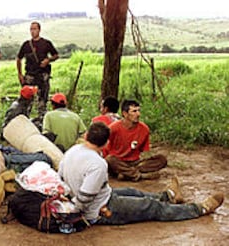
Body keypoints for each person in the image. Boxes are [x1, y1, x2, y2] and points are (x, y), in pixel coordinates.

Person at [59, 122, 224, 225]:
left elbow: (60, 177)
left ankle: (170, 195)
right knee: (152, 208)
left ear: (86, 136)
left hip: (101, 197)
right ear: (106, 142)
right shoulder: (98, 164)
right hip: (100, 210)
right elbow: (85, 196)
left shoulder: (73, 150)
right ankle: (198, 209)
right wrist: (78, 214)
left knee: (133, 192)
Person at [104, 99, 167, 181]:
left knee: (161, 159)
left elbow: (143, 151)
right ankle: (138, 176)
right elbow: (102, 145)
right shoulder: (113, 128)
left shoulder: (144, 129)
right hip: (117, 162)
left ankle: (126, 174)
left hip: (135, 163)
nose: (138, 114)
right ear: (125, 114)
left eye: (138, 110)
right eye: (134, 111)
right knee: (109, 159)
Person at [16, 21, 59, 122]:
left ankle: (42, 121)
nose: (33, 31)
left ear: (39, 30)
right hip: (30, 75)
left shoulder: (46, 43)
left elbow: (56, 55)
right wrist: (20, 74)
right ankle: (24, 121)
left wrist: (48, 60)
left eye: (35, 29)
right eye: (31, 29)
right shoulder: (26, 45)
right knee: (26, 101)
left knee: (42, 100)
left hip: (42, 75)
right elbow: (18, 59)